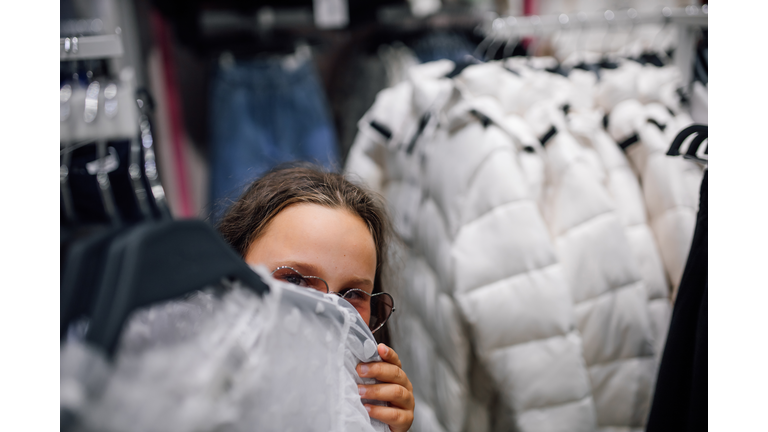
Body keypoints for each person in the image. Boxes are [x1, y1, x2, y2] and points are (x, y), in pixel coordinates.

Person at [217, 164, 415, 432]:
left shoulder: (368, 404)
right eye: (295, 279)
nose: (329, 313)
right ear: (233, 272)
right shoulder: (172, 392)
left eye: (352, 294)